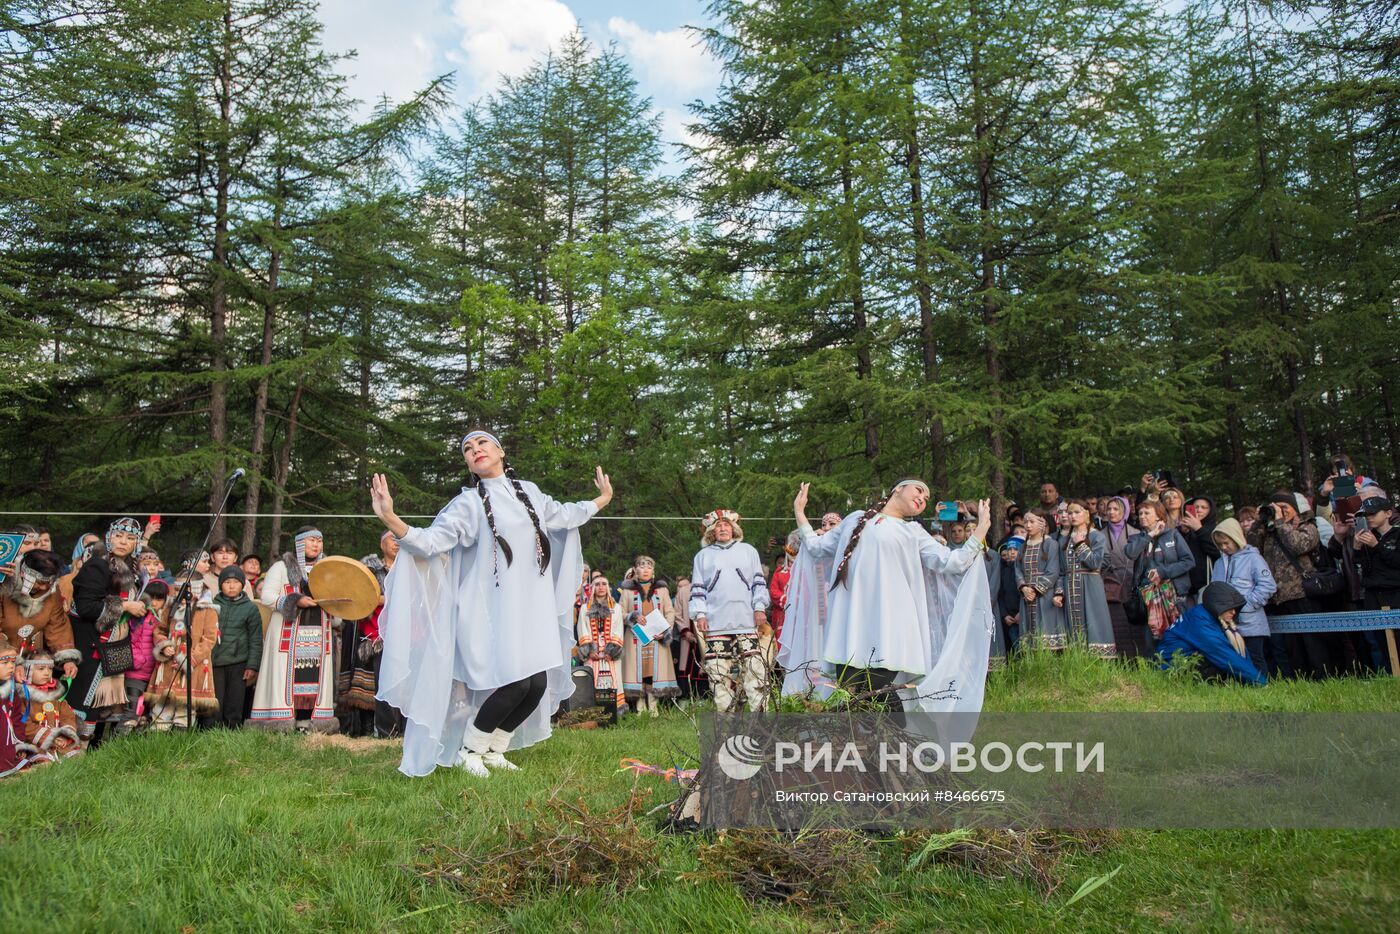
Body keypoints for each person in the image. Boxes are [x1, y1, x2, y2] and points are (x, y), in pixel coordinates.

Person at [372, 430, 612, 777]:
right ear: (469, 464)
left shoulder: (529, 492)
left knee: (537, 684)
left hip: (528, 608)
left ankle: (494, 748)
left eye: (481, 443)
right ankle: (469, 749)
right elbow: (431, 541)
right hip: (489, 610)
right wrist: (390, 518)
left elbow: (566, 514)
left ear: (500, 450)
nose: (474, 450)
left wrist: (602, 499)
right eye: (467, 449)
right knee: (516, 682)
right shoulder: (468, 504)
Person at [783, 480, 994, 720]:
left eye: (926, 499)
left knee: (876, 692)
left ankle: (905, 746)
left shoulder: (913, 532)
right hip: (850, 626)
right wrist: (800, 513)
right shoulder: (855, 519)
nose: (923, 499)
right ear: (898, 489)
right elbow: (816, 547)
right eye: (919, 491)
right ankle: (877, 749)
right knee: (851, 693)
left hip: (891, 628)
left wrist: (980, 532)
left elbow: (951, 562)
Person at [248, 528, 341, 732]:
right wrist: (296, 600)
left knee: (313, 676)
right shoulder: (281, 567)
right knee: (286, 678)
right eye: (311, 540)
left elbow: (336, 604)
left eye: (319, 540)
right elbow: (267, 597)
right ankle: (280, 722)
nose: (316, 544)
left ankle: (306, 723)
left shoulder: (326, 570)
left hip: (318, 631)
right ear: (300, 543)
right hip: (288, 634)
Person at [70, 517, 149, 744]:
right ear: (108, 537)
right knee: (85, 699)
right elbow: (86, 607)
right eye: (119, 536)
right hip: (90, 642)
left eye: (130, 538)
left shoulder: (131, 568)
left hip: (111, 644)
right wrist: (125, 606)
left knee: (99, 703)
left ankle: (90, 748)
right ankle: (74, 749)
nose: (123, 542)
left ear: (137, 543)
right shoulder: (98, 564)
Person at [689, 509, 771, 713]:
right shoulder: (703, 556)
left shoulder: (748, 551)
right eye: (718, 525)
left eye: (726, 525)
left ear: (734, 528)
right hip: (716, 624)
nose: (723, 528)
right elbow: (697, 587)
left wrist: (759, 607)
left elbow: (758, 582)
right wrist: (700, 614)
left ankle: (761, 719)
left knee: (755, 671)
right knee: (718, 674)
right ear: (711, 531)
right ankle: (725, 721)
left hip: (745, 620)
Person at [1247, 493, 1325, 678]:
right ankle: (1299, 679)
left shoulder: (1307, 527)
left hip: (1302, 594)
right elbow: (1251, 546)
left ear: (1295, 509)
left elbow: (1298, 546)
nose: (1280, 510)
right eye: (1276, 507)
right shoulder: (1269, 531)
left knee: (1312, 642)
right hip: (1278, 598)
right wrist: (1259, 522)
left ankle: (1322, 677)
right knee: (1290, 646)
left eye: (1284, 506)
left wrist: (1281, 522)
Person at [144, 566, 220, 729]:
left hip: (192, 666)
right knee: (162, 710)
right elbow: (160, 629)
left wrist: (189, 659)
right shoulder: (170, 608)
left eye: (186, 591)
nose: (183, 595)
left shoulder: (207, 610)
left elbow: (209, 639)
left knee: (184, 711)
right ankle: (157, 745)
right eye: (178, 590)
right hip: (168, 664)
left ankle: (181, 743)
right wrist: (164, 646)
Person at [347, 531, 403, 738]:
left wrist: (383, 598)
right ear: (381, 544)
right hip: (377, 633)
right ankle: (387, 731)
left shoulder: (413, 567)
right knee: (385, 680)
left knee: (407, 683)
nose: (396, 543)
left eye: (400, 539)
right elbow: (362, 597)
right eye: (391, 538)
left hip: (411, 632)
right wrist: (388, 598)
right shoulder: (369, 570)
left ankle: (406, 729)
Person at [1156, 581, 1266, 685]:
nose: (1233, 612)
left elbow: (1239, 651)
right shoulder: (1200, 621)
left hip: (1183, 664)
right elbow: (1225, 654)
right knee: (1220, 660)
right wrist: (1261, 683)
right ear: (1218, 606)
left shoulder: (1211, 616)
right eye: (1229, 608)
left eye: (1235, 609)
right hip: (1170, 670)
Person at [1211, 518, 1277, 676]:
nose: (1224, 547)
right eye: (1220, 545)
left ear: (1236, 538)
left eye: (1227, 543)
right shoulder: (1219, 563)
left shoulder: (1253, 558)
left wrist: (1246, 605)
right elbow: (1215, 590)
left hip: (1251, 622)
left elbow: (1268, 586)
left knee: (1255, 658)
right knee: (1234, 660)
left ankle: (1262, 686)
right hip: (1227, 624)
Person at [0, 550, 79, 678]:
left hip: (31, 662)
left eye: (48, 583)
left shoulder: (52, 592)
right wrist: (11, 661)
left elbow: (58, 627)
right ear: (24, 574)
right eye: (40, 582)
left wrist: (67, 659)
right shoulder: (3, 586)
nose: (44, 588)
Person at [1126, 501, 1195, 643]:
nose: (1142, 516)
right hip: (1147, 597)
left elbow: (1188, 561)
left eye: (1147, 513)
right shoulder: (1136, 538)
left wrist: (1163, 571)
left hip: (1174, 595)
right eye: (1140, 513)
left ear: (1159, 516)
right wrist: (1150, 534)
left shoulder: (1172, 534)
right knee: (1151, 640)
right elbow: (1131, 553)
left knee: (1179, 637)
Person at [619, 556, 679, 716]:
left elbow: (670, 611)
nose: (645, 570)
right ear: (635, 570)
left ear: (653, 571)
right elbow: (620, 612)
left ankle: (653, 708)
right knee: (637, 672)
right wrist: (633, 615)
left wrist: (666, 630)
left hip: (657, 639)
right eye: (641, 566)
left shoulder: (662, 590)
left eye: (648, 567)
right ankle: (640, 708)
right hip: (635, 639)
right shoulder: (627, 590)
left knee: (654, 672)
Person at [1060, 500, 1117, 657]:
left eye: (1077, 512)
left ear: (1086, 513)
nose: (1072, 516)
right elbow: (1061, 569)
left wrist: (1080, 545)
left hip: (1090, 585)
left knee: (1094, 620)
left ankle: (1099, 661)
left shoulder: (1096, 536)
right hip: (1070, 587)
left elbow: (1095, 562)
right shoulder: (1064, 539)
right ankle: (1077, 661)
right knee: (1072, 626)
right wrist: (1059, 592)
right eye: (1069, 513)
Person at [210, 566, 261, 729]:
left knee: (235, 700)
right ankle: (210, 731)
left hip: (239, 661)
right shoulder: (212, 605)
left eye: (236, 582)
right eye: (226, 582)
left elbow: (255, 638)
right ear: (220, 585)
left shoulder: (250, 608)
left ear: (242, 585)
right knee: (215, 700)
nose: (231, 586)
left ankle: (232, 731)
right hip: (215, 661)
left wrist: (252, 665)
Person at [1353, 496, 1400, 668]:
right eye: (1366, 515)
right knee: (1380, 641)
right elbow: (1361, 568)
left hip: (1395, 593)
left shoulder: (1397, 534)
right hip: (1373, 594)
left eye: (1374, 513)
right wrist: (1357, 549)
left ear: (1388, 513)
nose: (1370, 517)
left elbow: (1396, 562)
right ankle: (1389, 674)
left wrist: (1377, 546)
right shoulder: (1367, 537)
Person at [1102, 496, 1149, 659]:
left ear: (1125, 511)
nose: (1112, 512)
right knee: (1117, 626)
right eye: (1109, 509)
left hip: (1133, 585)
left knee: (1136, 624)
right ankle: (1122, 659)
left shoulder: (1137, 534)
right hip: (1111, 587)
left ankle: (1141, 659)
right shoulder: (1099, 535)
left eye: (1116, 509)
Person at [576, 574, 625, 718]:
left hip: (611, 655)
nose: (601, 587)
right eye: (597, 584)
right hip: (593, 654)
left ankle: (614, 713)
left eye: (604, 584)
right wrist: (589, 650)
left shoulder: (616, 608)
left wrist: (612, 651)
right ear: (592, 588)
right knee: (592, 681)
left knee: (613, 681)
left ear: (608, 588)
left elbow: (618, 629)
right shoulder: (585, 608)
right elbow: (582, 628)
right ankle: (593, 714)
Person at [1015, 509, 1066, 648]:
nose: (1028, 525)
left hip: (1045, 596)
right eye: (1026, 522)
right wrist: (1024, 587)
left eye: (1032, 522)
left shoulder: (1051, 544)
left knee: (1046, 635)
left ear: (1042, 524)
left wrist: (1035, 591)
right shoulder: (1022, 546)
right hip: (1026, 596)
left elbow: (1053, 572)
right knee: (1029, 638)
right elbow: (1018, 569)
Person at [122, 580, 165, 731]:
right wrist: (137, 660)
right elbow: (130, 641)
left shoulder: (163, 619)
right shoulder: (137, 618)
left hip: (154, 675)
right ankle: (117, 745)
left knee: (146, 716)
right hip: (136, 672)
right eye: (150, 598)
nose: (154, 603)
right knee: (132, 713)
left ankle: (137, 749)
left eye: (159, 599)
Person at [0, 636, 37, 778]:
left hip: (9, 747)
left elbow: (17, 718)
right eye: (5, 663)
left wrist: (19, 743)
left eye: (13, 662)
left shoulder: (10, 690)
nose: (11, 666)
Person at [671, 575, 707, 703]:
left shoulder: (711, 588)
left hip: (706, 635)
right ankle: (685, 701)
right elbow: (677, 613)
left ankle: (703, 700)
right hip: (687, 637)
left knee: (705, 667)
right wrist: (685, 631)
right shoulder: (683, 591)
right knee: (686, 669)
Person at [1178, 496, 1219, 603]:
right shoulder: (1183, 529)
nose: (1199, 510)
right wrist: (1184, 533)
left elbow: (1217, 552)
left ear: (1211, 510)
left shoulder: (1216, 529)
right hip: (1185, 587)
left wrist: (1199, 529)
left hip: (1207, 585)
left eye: (1204, 507)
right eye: (1196, 507)